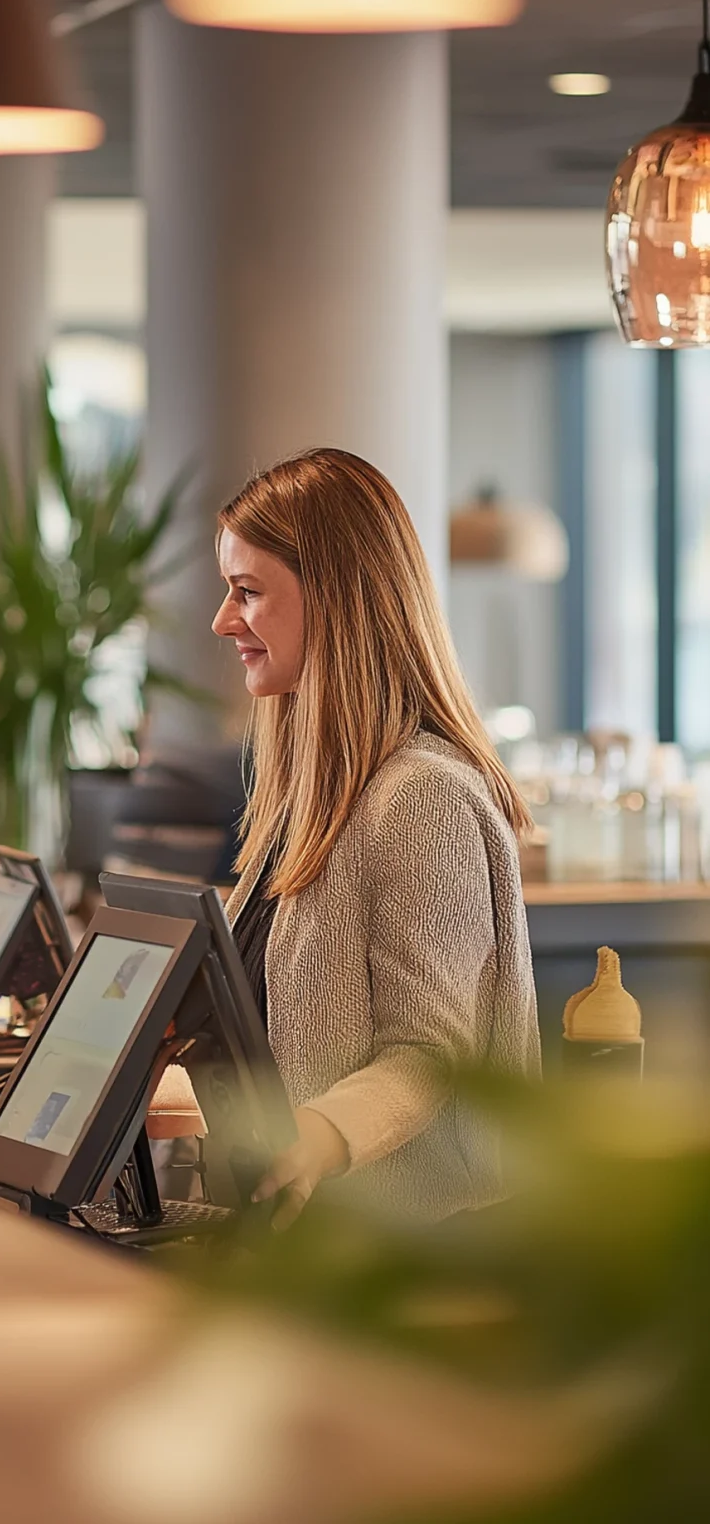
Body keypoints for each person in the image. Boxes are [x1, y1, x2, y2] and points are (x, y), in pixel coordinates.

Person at [210, 448, 538, 1225]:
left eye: (247, 592)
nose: (223, 620)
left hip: (416, 1253)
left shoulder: (422, 797)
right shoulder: (310, 797)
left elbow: (429, 1055)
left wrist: (315, 1137)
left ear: (332, 597)